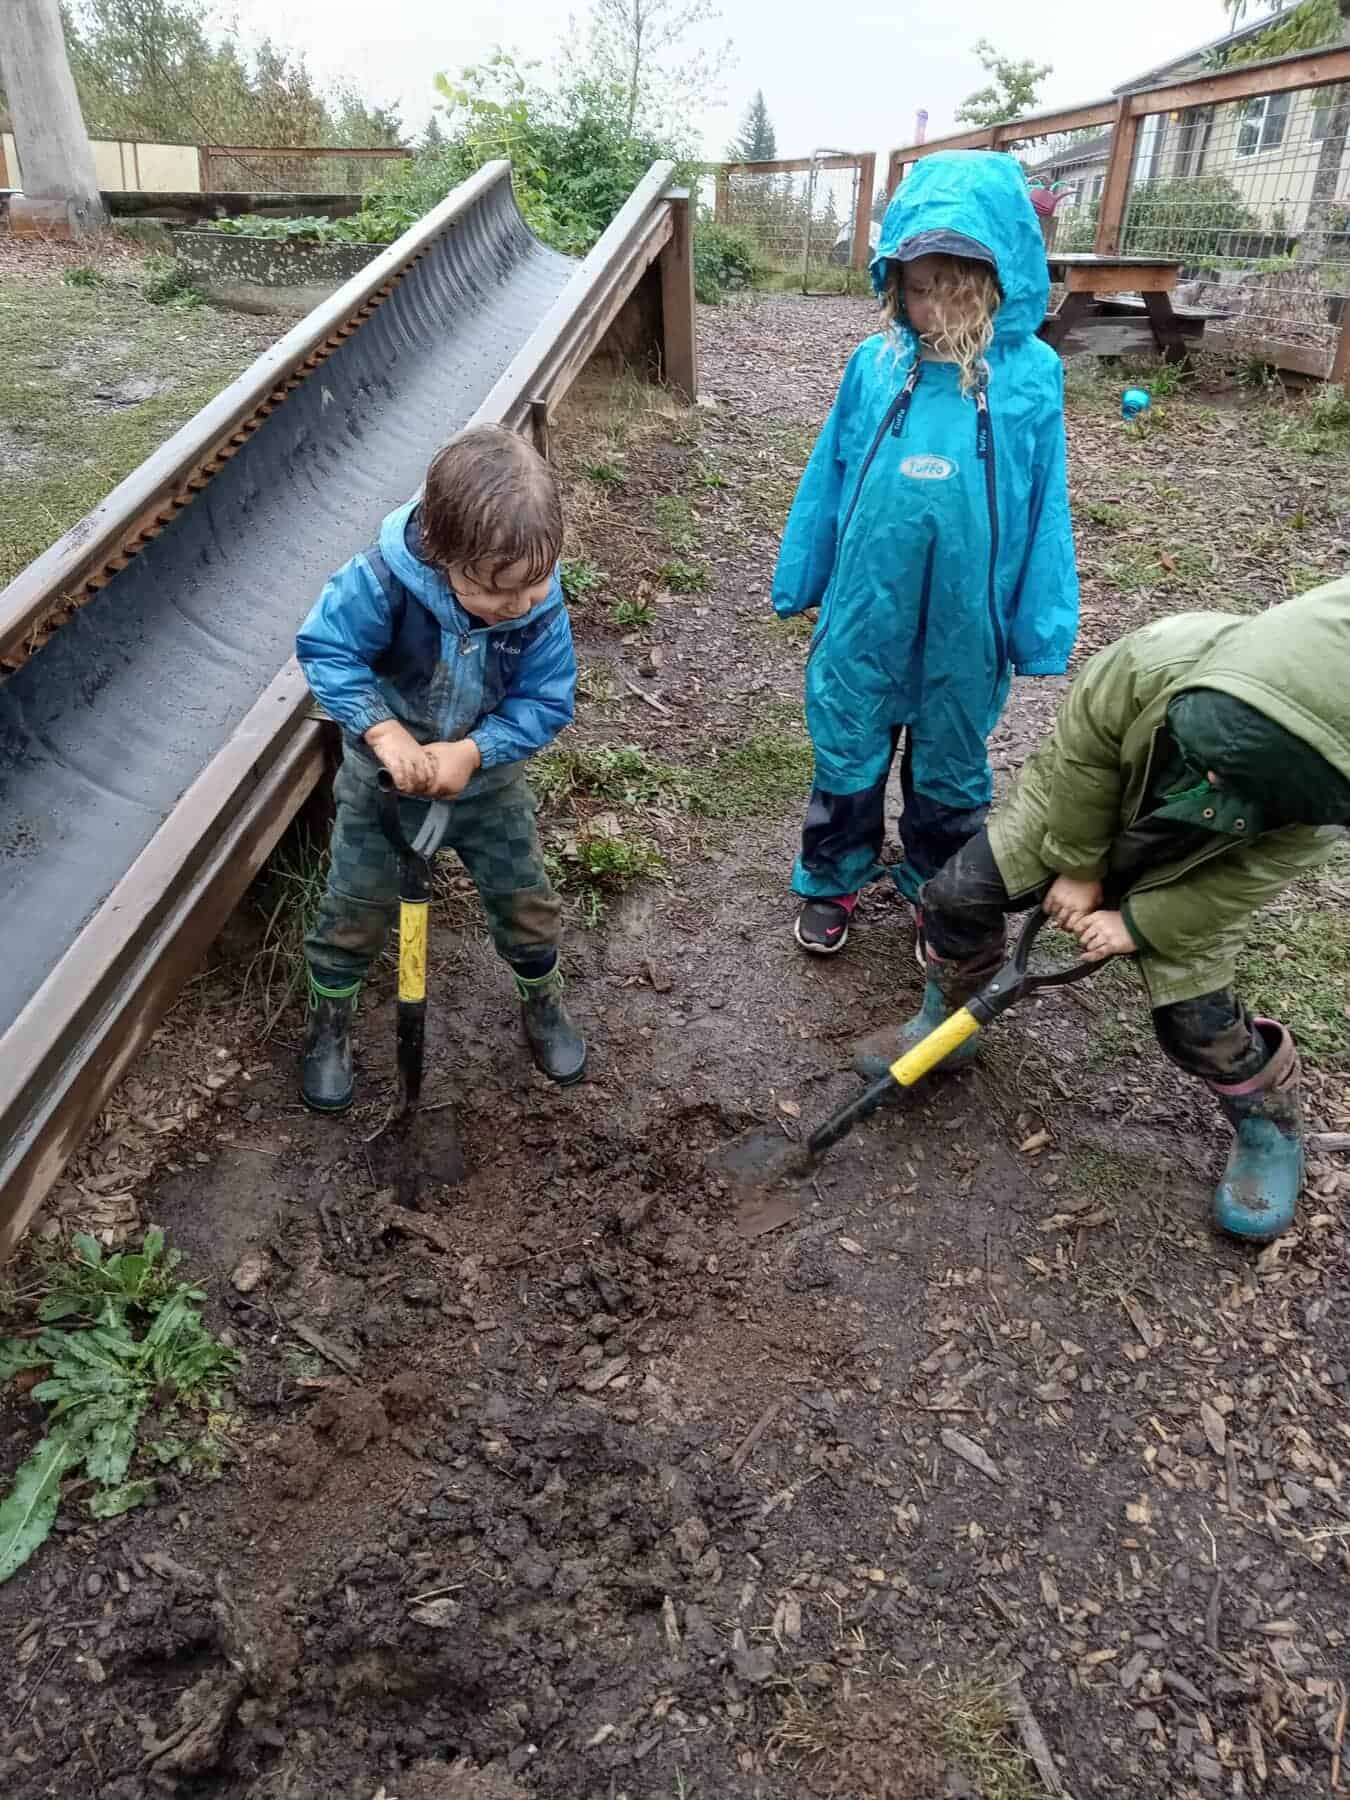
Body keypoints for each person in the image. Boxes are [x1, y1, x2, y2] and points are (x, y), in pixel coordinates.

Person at [854, 583, 1350, 1243]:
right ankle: (945, 1024)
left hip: (1197, 876)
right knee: (955, 896)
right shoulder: (1157, 659)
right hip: (1085, 813)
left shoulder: (1322, 806)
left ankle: (1269, 1127)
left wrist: (1138, 925)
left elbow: (1241, 882)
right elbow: (1084, 760)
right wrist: (1080, 864)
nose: (1219, 784)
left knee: (1196, 1024)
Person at [774, 151, 1078, 958]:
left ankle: (935, 888)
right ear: (893, 282)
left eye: (955, 284)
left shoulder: (1030, 377)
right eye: (918, 285)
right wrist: (800, 568)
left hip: (965, 620)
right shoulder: (874, 367)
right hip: (868, 605)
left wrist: (1040, 625)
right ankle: (831, 875)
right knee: (849, 735)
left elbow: (1047, 501)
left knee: (949, 755)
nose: (934, 305)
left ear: (997, 277)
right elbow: (827, 473)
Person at [294, 424, 586, 1113]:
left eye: (537, 582)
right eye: (494, 589)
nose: (518, 603)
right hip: (382, 789)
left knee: (525, 899)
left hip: (488, 789)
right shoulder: (382, 581)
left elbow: (548, 698)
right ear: (440, 551)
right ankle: (329, 1024)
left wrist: (476, 750)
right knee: (352, 910)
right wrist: (382, 728)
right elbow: (327, 648)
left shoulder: (538, 608)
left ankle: (542, 1000)